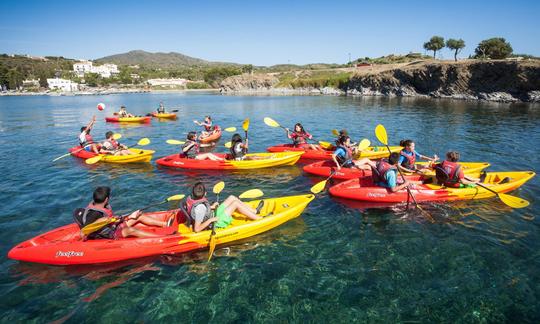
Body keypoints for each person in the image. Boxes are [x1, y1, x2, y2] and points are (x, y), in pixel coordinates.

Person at [73, 186, 174, 239]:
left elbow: (111, 220)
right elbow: (84, 231)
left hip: (112, 226)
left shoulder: (97, 204)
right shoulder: (95, 214)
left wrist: (130, 216)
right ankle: (164, 237)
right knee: (131, 230)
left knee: (138, 215)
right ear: (106, 199)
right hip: (107, 234)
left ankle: (165, 224)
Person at [184, 182, 264, 233]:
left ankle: (255, 211)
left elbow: (199, 211)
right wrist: (211, 220)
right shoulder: (200, 208)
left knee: (232, 197)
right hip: (214, 222)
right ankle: (258, 218)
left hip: (212, 214)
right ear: (205, 193)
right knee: (235, 203)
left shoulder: (190, 198)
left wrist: (211, 207)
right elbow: (197, 229)